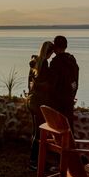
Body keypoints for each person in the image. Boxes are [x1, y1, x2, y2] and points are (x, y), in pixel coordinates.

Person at [27, 41, 54, 170]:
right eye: (52, 52)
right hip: (39, 103)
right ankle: (34, 161)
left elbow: (30, 83)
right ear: (49, 52)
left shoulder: (35, 62)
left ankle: (34, 159)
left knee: (35, 131)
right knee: (39, 133)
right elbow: (44, 84)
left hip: (32, 101)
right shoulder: (44, 63)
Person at [49, 35, 79, 131]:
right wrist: (73, 94)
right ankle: (69, 144)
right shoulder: (72, 60)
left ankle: (60, 144)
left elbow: (52, 83)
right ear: (66, 46)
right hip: (69, 97)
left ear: (54, 47)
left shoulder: (55, 62)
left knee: (58, 127)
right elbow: (76, 80)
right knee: (68, 125)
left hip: (58, 100)